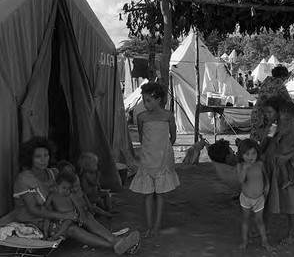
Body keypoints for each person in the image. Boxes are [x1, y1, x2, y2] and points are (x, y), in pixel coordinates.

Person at [0, 137, 140, 255]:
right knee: (71, 228)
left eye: (46, 155)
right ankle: (114, 245)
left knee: (83, 214)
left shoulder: (52, 173)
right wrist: (65, 215)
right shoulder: (24, 179)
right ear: (29, 158)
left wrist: (77, 210)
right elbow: (34, 211)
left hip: (54, 214)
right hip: (34, 221)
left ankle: (116, 241)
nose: (43, 160)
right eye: (38, 157)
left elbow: (63, 195)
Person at [129, 82, 180, 238]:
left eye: (149, 100)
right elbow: (143, 137)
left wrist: (165, 149)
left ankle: (157, 225)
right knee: (147, 194)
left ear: (158, 99)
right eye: (144, 100)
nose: (146, 104)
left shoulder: (168, 116)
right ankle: (149, 225)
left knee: (160, 194)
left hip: (163, 159)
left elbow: (173, 135)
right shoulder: (141, 117)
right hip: (147, 159)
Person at [259, 96, 294, 246]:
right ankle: (265, 229)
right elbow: (265, 144)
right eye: (265, 113)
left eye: (269, 112)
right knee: (267, 198)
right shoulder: (273, 126)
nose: (267, 115)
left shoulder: (293, 126)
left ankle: (291, 234)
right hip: (271, 165)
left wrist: (287, 157)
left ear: (281, 112)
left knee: (291, 201)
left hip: (286, 167)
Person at [236, 139, 274, 252]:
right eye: (247, 154)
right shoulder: (240, 165)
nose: (250, 156)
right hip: (246, 199)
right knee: (246, 220)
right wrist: (244, 169)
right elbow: (241, 180)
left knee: (259, 221)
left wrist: (267, 185)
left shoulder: (260, 164)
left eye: (253, 153)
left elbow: (265, 175)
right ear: (241, 155)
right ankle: (244, 241)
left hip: (259, 199)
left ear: (257, 153)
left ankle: (264, 241)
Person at [250, 65, 293, 142]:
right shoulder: (278, 82)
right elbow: (287, 98)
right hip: (264, 115)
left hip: (256, 112)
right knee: (266, 138)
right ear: (282, 76)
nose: (285, 79)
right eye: (285, 77)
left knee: (255, 138)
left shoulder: (266, 80)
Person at [43, 172, 82, 240]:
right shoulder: (52, 195)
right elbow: (46, 205)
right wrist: (47, 210)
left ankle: (56, 236)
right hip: (58, 216)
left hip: (70, 216)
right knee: (47, 218)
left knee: (67, 222)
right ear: (56, 185)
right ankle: (45, 234)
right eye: (64, 187)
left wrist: (81, 215)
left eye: (69, 188)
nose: (66, 191)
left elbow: (78, 206)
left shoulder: (70, 195)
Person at [274, 100, 294, 189]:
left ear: (286, 114)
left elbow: (280, 134)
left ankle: (288, 180)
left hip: (284, 150)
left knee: (284, 164)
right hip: (292, 148)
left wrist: (277, 136)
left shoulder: (285, 125)